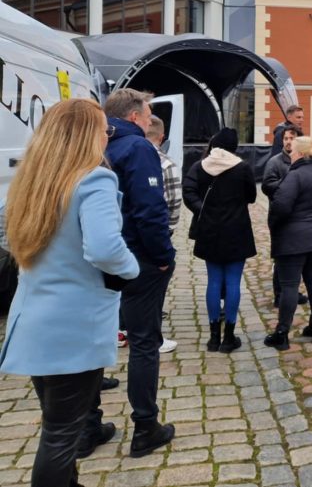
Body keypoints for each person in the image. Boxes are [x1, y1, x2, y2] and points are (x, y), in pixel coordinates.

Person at [0, 99, 140, 487]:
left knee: (57, 426)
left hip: (32, 320)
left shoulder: (32, 179)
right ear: (85, 135)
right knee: (61, 435)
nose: (106, 137)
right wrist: (131, 270)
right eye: (104, 130)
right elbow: (105, 248)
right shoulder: (93, 179)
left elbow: (4, 230)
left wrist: (39, 258)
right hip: (72, 325)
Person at [104, 88, 176, 457]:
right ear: (134, 116)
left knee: (96, 339)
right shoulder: (139, 148)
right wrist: (164, 256)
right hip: (140, 258)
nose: (150, 119)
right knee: (144, 343)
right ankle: (145, 426)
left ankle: (87, 425)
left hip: (104, 255)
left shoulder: (98, 144)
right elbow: (150, 211)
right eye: (148, 113)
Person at [183, 128, 257, 353]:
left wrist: (202, 210)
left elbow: (188, 191)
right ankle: (229, 338)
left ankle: (213, 337)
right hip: (236, 229)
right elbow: (252, 197)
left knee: (214, 281)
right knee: (233, 282)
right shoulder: (242, 167)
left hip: (209, 229)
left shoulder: (200, 166)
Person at [266, 136, 312, 350]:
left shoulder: (294, 176)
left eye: (293, 151)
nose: (290, 153)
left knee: (289, 286)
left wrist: (274, 226)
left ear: (302, 154)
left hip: (292, 239)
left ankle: (282, 332)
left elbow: (281, 207)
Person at [144, 115, 181, 355]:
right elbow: (175, 203)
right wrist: (168, 231)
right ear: (162, 137)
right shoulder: (165, 163)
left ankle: (121, 329)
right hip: (157, 233)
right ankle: (153, 336)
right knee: (153, 291)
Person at [262, 124, 308, 306]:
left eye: (292, 138)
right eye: (286, 138)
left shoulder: (306, 160)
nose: (289, 142)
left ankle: (293, 290)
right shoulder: (274, 162)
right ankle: (279, 294)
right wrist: (289, 184)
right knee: (281, 258)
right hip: (281, 216)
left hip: (301, 217)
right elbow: (267, 186)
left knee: (298, 259)